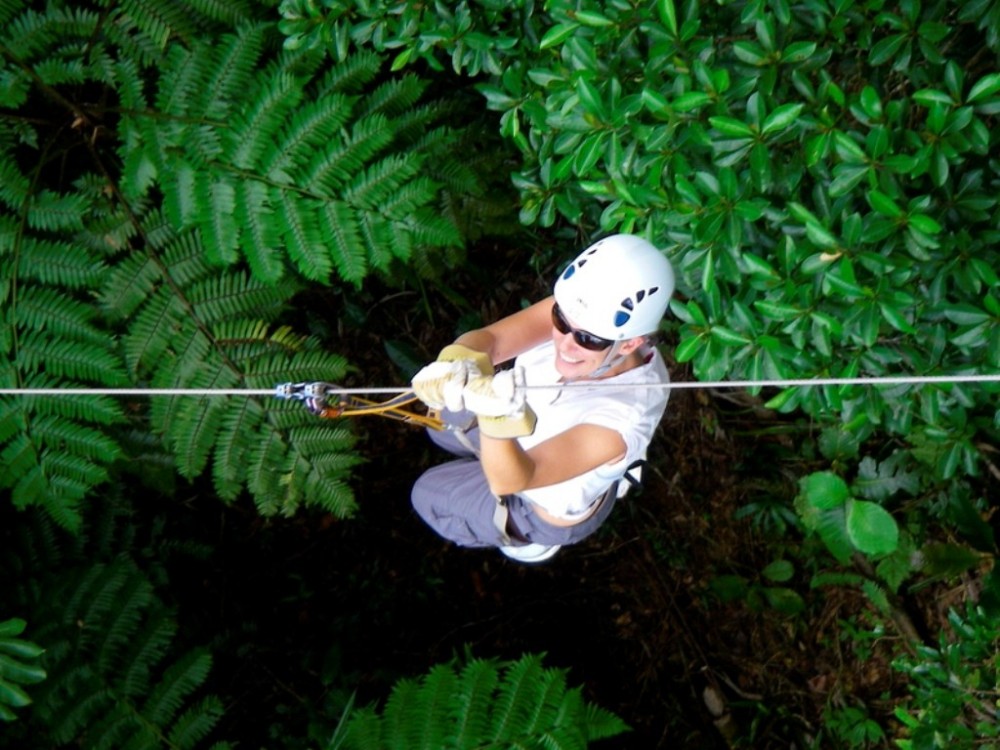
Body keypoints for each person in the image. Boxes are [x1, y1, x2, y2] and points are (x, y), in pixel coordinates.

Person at [409, 234, 675, 562]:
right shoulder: (587, 311)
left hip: (539, 500)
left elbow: (514, 478)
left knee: (428, 495)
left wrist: (496, 420)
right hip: (521, 422)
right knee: (440, 419)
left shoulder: (625, 419)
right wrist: (457, 359)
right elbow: (492, 339)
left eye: (587, 339)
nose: (565, 344)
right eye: (560, 320)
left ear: (631, 344)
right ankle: (484, 450)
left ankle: (526, 539)